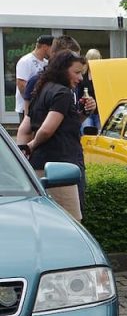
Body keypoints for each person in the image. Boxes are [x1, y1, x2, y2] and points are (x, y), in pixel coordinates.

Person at [21, 50, 89, 220]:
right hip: (60, 169)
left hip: (39, 166)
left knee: (45, 220)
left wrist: (22, 155)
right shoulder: (62, 93)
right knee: (72, 223)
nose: (80, 78)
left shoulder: (41, 89)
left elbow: (26, 127)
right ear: (62, 70)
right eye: (77, 72)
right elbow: (47, 129)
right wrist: (32, 145)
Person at [15, 35, 52, 122]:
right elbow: (21, 84)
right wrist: (31, 102)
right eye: (52, 48)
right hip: (27, 107)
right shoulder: (25, 61)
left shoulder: (46, 63)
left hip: (41, 107)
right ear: (45, 47)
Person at [80, 49, 102, 131]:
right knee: (86, 132)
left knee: (101, 133)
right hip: (85, 110)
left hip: (99, 111)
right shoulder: (82, 74)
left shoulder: (102, 75)